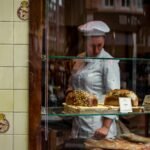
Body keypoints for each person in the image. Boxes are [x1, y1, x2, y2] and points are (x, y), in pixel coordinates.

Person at [66, 20, 120, 139]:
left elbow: (114, 96)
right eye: (92, 46)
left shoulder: (108, 61)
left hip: (98, 128)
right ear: (85, 43)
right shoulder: (79, 58)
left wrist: (105, 127)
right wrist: (70, 95)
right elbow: (72, 83)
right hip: (78, 125)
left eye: (99, 46)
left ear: (104, 42)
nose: (96, 50)